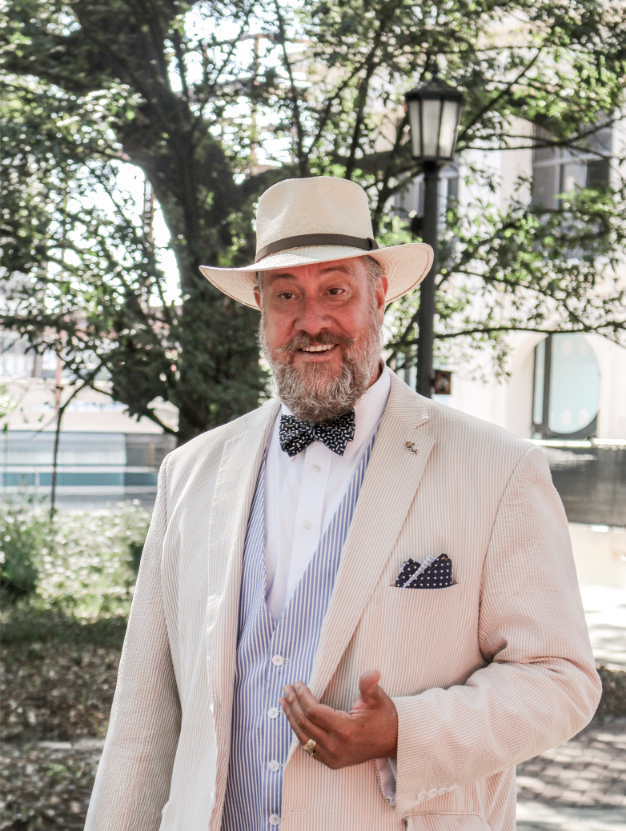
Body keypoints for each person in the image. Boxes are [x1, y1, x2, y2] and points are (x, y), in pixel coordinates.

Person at [85, 177, 601, 831]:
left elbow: (560, 677)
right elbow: (142, 721)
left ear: (379, 294)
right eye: (286, 296)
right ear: (261, 310)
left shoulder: (498, 469)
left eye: (335, 289)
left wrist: (406, 731)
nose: (312, 320)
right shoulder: (189, 475)